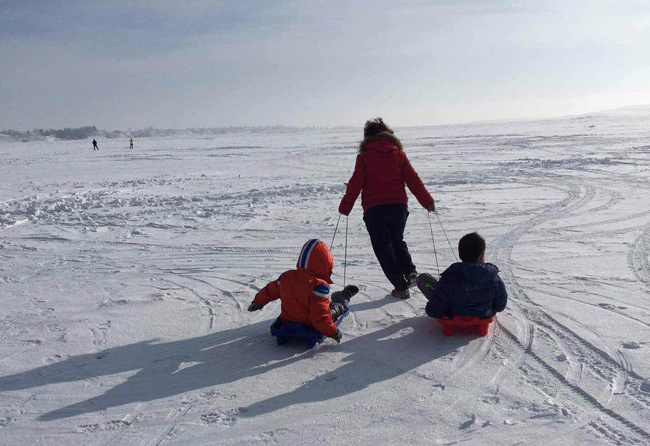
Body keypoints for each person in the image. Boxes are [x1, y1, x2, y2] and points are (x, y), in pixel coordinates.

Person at [338, 117, 435, 299]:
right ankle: (410, 271)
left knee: (383, 247)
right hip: (398, 207)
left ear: (367, 137)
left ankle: (400, 286)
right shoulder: (398, 154)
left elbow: (355, 184)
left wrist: (346, 206)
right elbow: (414, 180)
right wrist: (427, 201)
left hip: (375, 209)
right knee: (396, 240)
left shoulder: (364, 157)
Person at [247, 239, 359, 344]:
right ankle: (344, 295)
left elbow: (269, 291)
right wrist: (333, 332)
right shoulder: (317, 286)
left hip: (287, 321)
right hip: (311, 325)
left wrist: (258, 302)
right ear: (324, 263)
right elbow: (319, 317)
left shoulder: (286, 277)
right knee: (336, 307)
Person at [416, 232, 507, 319]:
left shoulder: (449, 279)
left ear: (460, 255)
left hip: (453, 314)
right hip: (483, 314)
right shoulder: (493, 278)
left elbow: (433, 311)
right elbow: (500, 306)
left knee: (423, 278)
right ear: (482, 256)